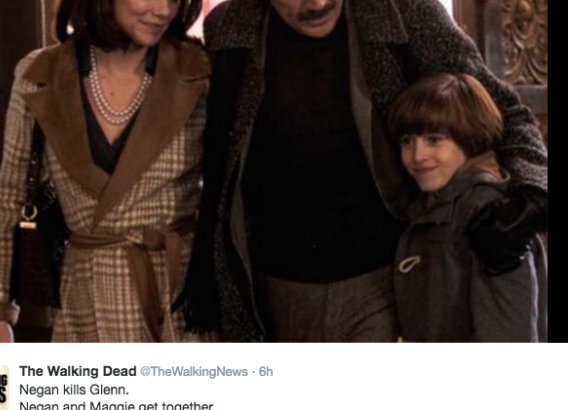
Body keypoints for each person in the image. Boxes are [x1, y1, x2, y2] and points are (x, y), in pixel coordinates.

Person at [176, 0, 548, 342]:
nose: (317, 4)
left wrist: (531, 193)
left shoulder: (407, 11)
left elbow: (505, 113)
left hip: (382, 276)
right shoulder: (229, 27)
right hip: (273, 282)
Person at [0, 0, 214, 343]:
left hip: (179, 304)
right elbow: (8, 201)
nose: (164, 10)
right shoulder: (40, 74)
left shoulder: (201, 71)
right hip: (85, 306)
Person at [388, 73, 547, 342]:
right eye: (407, 141)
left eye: (434, 140)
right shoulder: (435, 205)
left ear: (470, 138)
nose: (417, 155)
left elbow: (509, 338)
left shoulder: (488, 214)